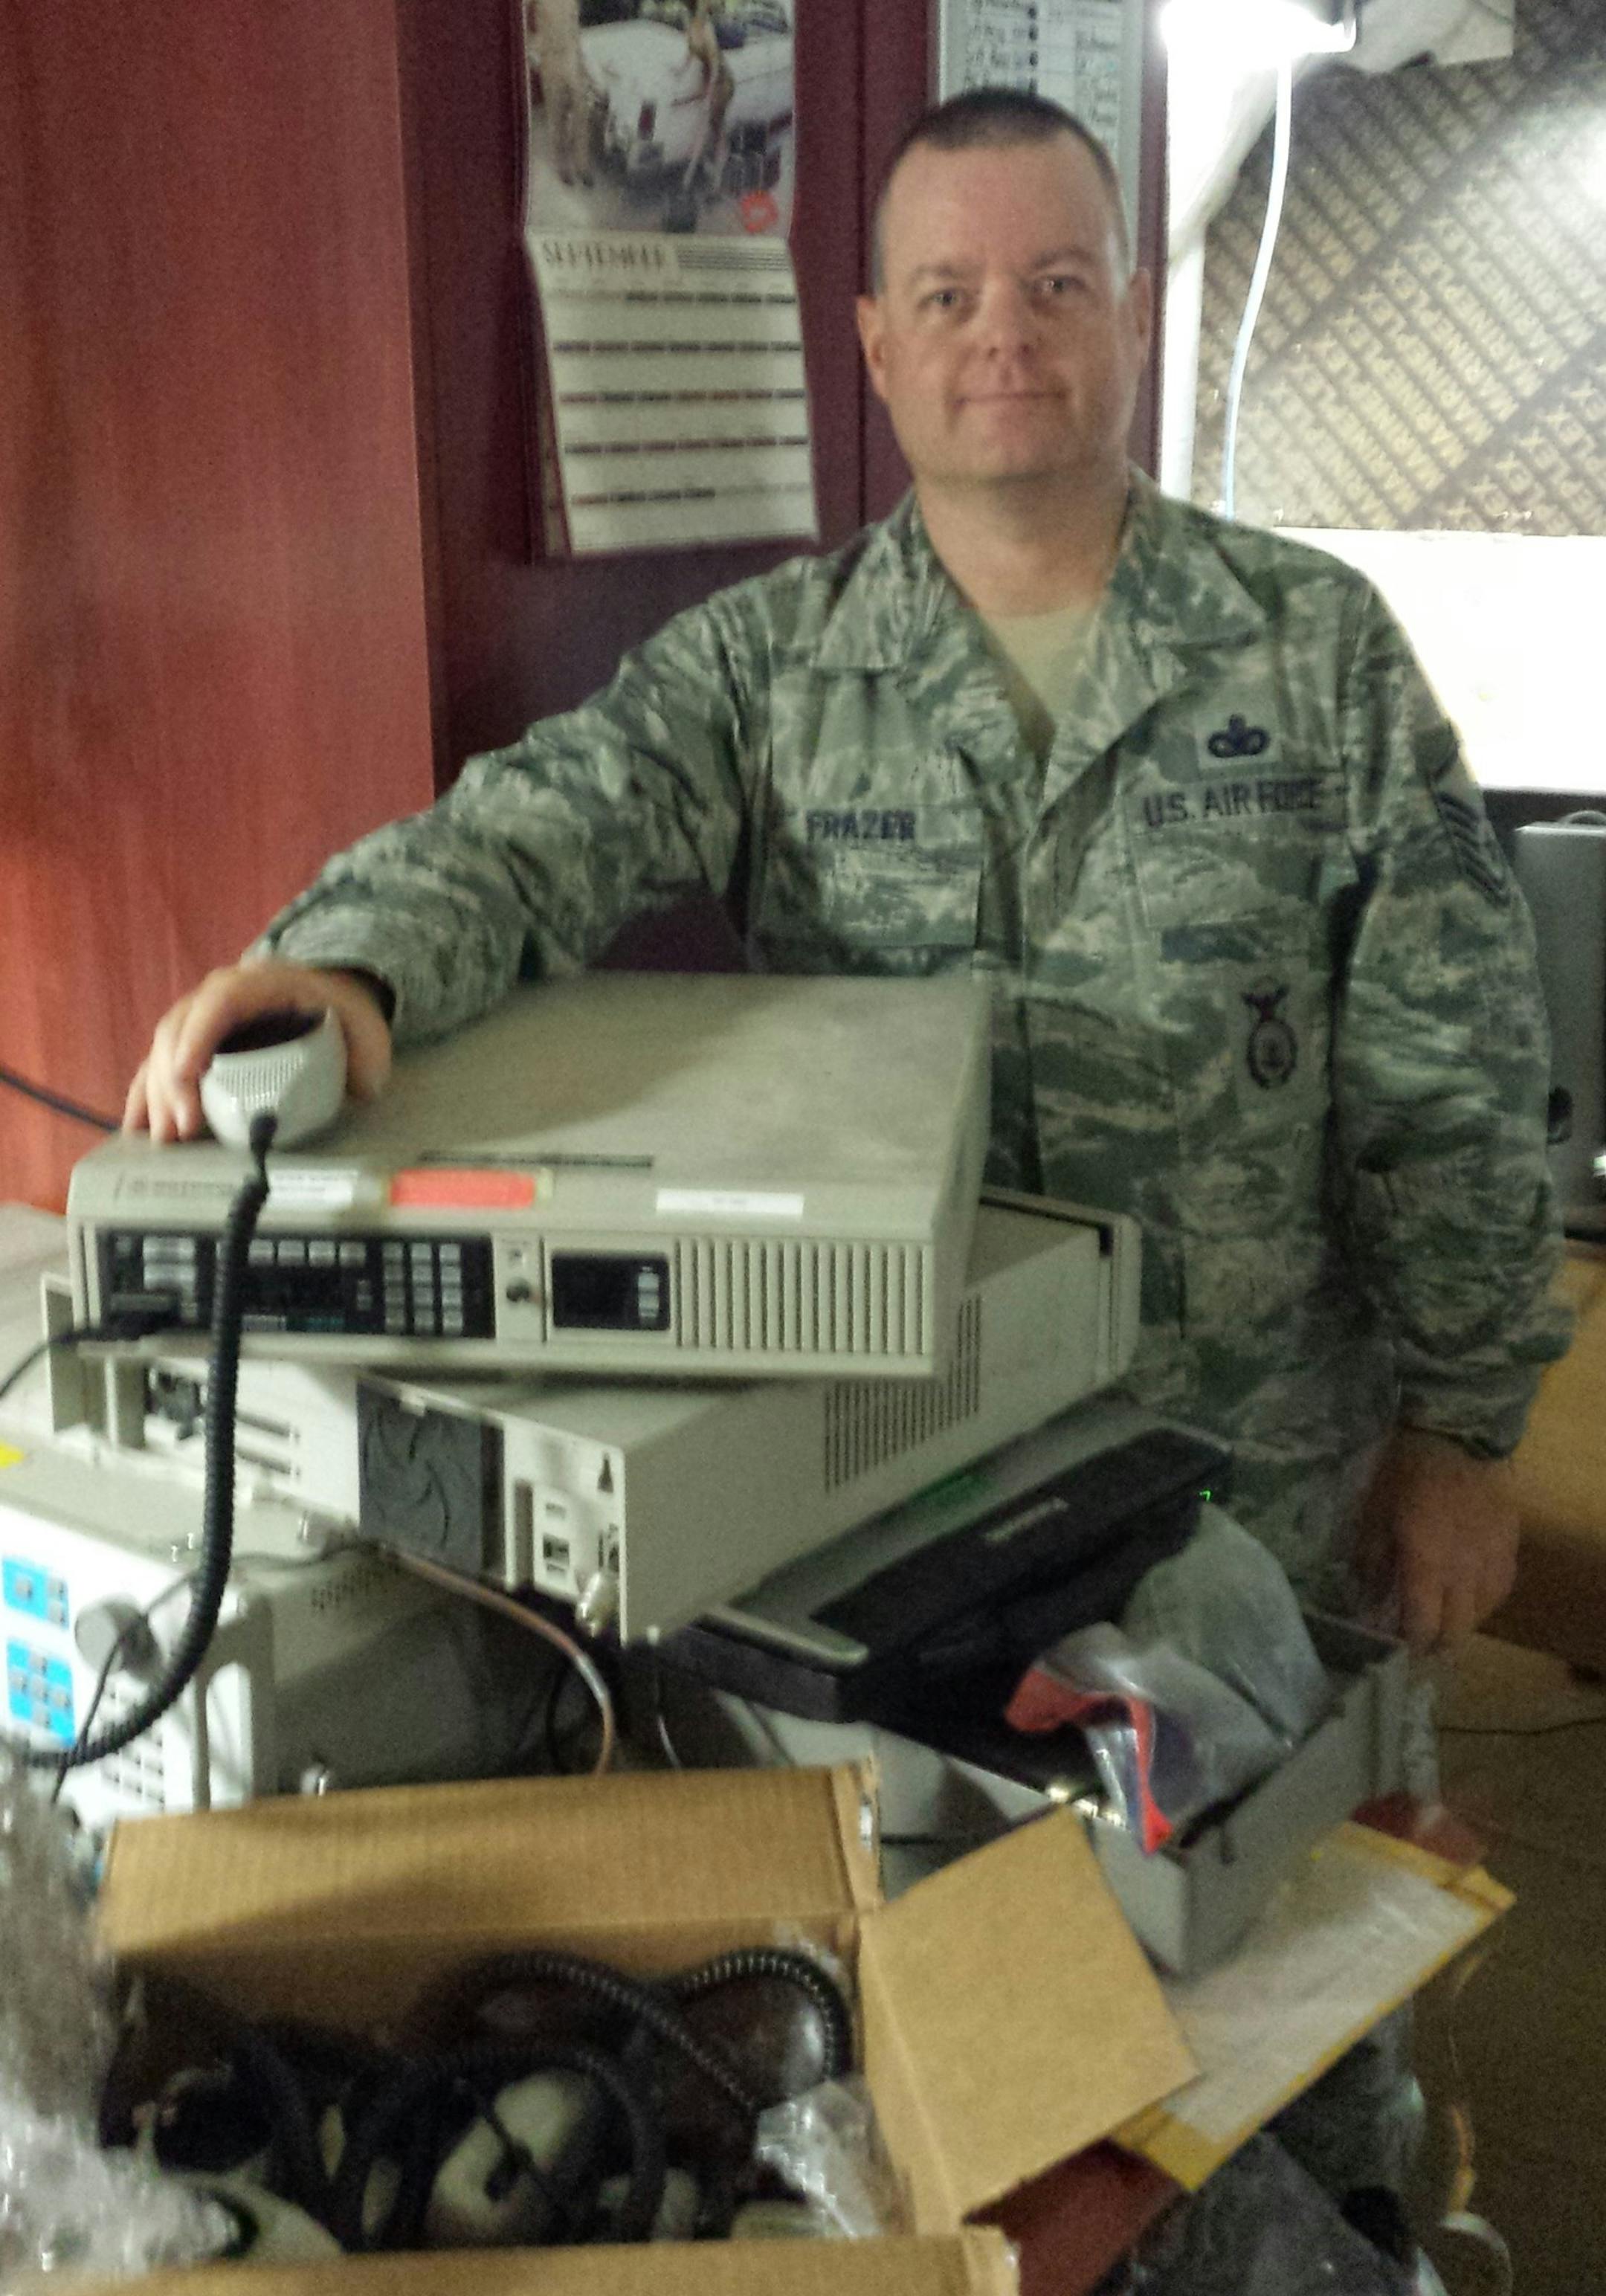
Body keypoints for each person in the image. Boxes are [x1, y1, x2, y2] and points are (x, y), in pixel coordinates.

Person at [126, 88, 1567, 1661]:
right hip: (893, 1501)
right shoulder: (770, 670)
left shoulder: (1317, 651)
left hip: (1258, 1490)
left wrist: (1467, 1429)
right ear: (879, 346)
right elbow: (537, 821)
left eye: (1057, 285)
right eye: (949, 296)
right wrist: (345, 962)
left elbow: (1456, 1070)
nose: (1002, 335)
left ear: (1136, 318)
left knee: (1272, 1880)